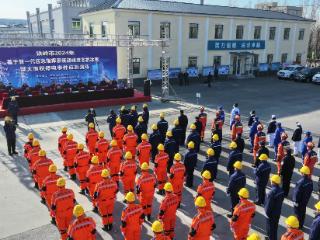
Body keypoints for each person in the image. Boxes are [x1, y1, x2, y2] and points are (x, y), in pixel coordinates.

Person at [264, 175, 285, 240]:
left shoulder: (271, 192)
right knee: (275, 227)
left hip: (271, 214)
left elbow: (269, 205)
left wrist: (267, 214)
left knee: (270, 229)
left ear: (273, 182)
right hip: (277, 212)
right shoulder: (281, 190)